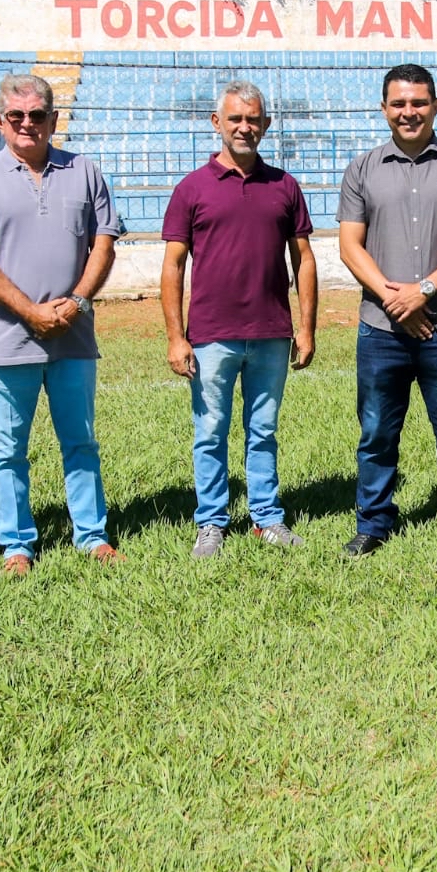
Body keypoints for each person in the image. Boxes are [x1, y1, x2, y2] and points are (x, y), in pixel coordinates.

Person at [0, 74, 124, 576]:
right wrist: (30, 311)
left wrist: (75, 302)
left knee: (82, 442)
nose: (28, 124)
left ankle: (92, 535)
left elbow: (104, 243)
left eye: (38, 114)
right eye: (16, 116)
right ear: (1, 121)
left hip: (73, 336)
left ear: (53, 118)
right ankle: (17, 545)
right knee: (8, 451)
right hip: (7, 340)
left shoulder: (84, 171)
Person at [337, 64, 437, 559]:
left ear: (435, 105)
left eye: (419, 102)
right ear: (384, 108)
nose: (410, 112)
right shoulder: (361, 168)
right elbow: (349, 246)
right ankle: (373, 522)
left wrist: (422, 291)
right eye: (400, 103)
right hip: (381, 330)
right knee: (377, 432)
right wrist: (396, 298)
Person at [161, 81, 318, 558]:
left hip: (271, 333)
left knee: (263, 431)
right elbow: (173, 265)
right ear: (217, 124)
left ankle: (266, 518)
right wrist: (174, 336)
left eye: (253, 119)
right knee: (210, 432)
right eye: (235, 119)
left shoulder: (284, 186)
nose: (244, 127)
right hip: (210, 336)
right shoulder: (192, 188)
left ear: (266, 125)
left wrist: (306, 327)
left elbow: (304, 259)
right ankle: (211, 522)